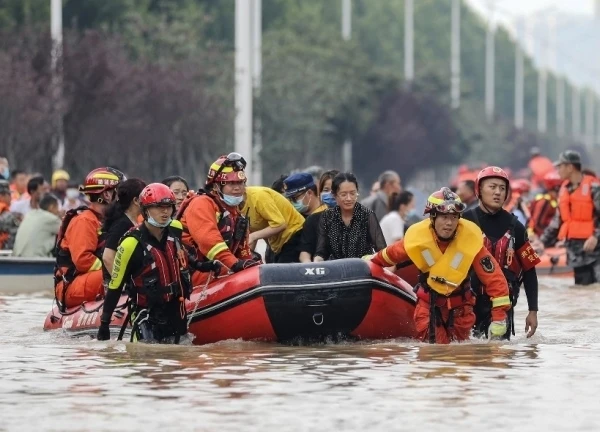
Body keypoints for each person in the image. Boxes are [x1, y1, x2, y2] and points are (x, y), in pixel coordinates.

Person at [370, 187, 511, 344]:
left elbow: (494, 279)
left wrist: (499, 318)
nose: (449, 223)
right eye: (444, 216)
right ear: (433, 217)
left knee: (459, 359)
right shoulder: (417, 240)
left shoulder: (470, 242)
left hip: (461, 311)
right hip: (429, 308)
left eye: (453, 217)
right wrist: (368, 263)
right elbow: (388, 255)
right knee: (434, 355)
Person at [97, 183, 221, 344]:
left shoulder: (175, 228)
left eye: (168, 207)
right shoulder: (130, 243)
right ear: (145, 210)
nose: (165, 212)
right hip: (147, 314)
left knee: (179, 357)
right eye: (158, 207)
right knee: (148, 357)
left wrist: (205, 266)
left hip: (175, 310)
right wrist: (104, 324)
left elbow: (184, 256)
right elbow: (116, 285)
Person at [463, 166, 540, 339]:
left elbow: (529, 271)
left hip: (502, 306)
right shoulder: (463, 222)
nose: (498, 192)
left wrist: (533, 311)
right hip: (468, 304)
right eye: (492, 187)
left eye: (502, 188)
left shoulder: (516, 227)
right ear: (479, 190)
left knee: (500, 357)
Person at [178, 153, 258, 286]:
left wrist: (251, 266)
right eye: (231, 183)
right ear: (216, 186)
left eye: (240, 183)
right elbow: (210, 242)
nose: (238, 188)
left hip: (220, 271)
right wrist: (235, 264)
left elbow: (243, 251)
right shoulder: (202, 204)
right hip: (196, 273)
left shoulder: (235, 213)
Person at [54, 167, 125, 310]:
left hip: (89, 279)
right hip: (72, 285)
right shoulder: (85, 221)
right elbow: (83, 260)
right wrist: (115, 271)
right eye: (119, 192)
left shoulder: (107, 221)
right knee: (118, 276)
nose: (122, 198)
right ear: (106, 194)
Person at [539, 150, 600, 285]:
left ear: (570, 167)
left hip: (595, 250)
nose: (558, 170)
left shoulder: (594, 188)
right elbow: (557, 222)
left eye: (560, 166)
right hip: (576, 251)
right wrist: (542, 242)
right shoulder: (564, 191)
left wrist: (596, 236)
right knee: (582, 292)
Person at [314, 172, 386, 261]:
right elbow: (321, 252)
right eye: (343, 194)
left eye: (352, 193)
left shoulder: (367, 215)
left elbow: (382, 250)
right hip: (336, 269)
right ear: (334, 195)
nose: (349, 198)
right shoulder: (327, 217)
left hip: (362, 269)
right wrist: (317, 262)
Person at [242, 183, 305, 263]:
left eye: (238, 183)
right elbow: (251, 234)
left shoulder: (258, 196)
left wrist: (253, 236)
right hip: (277, 245)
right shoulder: (235, 206)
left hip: (295, 234)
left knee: (282, 272)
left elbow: (280, 224)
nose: (236, 188)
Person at [101, 179, 147, 286]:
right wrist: (123, 284)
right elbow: (107, 257)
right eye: (145, 196)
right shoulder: (122, 224)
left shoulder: (132, 221)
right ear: (136, 201)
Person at [528, 170, 561, 237]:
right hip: (536, 236)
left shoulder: (552, 201)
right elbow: (538, 223)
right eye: (557, 191)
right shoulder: (544, 202)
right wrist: (547, 237)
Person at [0, 180, 19, 250]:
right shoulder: (9, 216)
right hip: (4, 256)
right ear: (1, 196)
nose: (10, 198)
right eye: (9, 195)